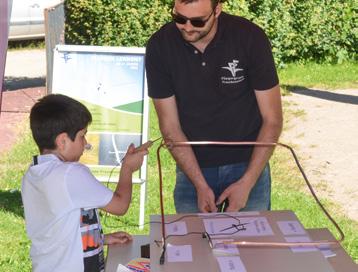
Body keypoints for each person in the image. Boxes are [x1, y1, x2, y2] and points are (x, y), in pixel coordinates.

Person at [145, 0, 283, 213]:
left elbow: (272, 119)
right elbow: (170, 126)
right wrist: (199, 184)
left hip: (248, 164)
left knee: (250, 245)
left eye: (198, 21)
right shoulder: (159, 46)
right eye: (179, 18)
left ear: (217, 10)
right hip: (192, 168)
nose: (188, 27)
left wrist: (247, 182)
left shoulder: (249, 38)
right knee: (194, 243)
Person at [21, 94, 148, 272]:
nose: (86, 144)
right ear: (62, 141)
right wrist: (127, 169)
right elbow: (120, 206)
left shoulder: (32, 175)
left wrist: (99, 239)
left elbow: (57, 227)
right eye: (82, 136)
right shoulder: (71, 173)